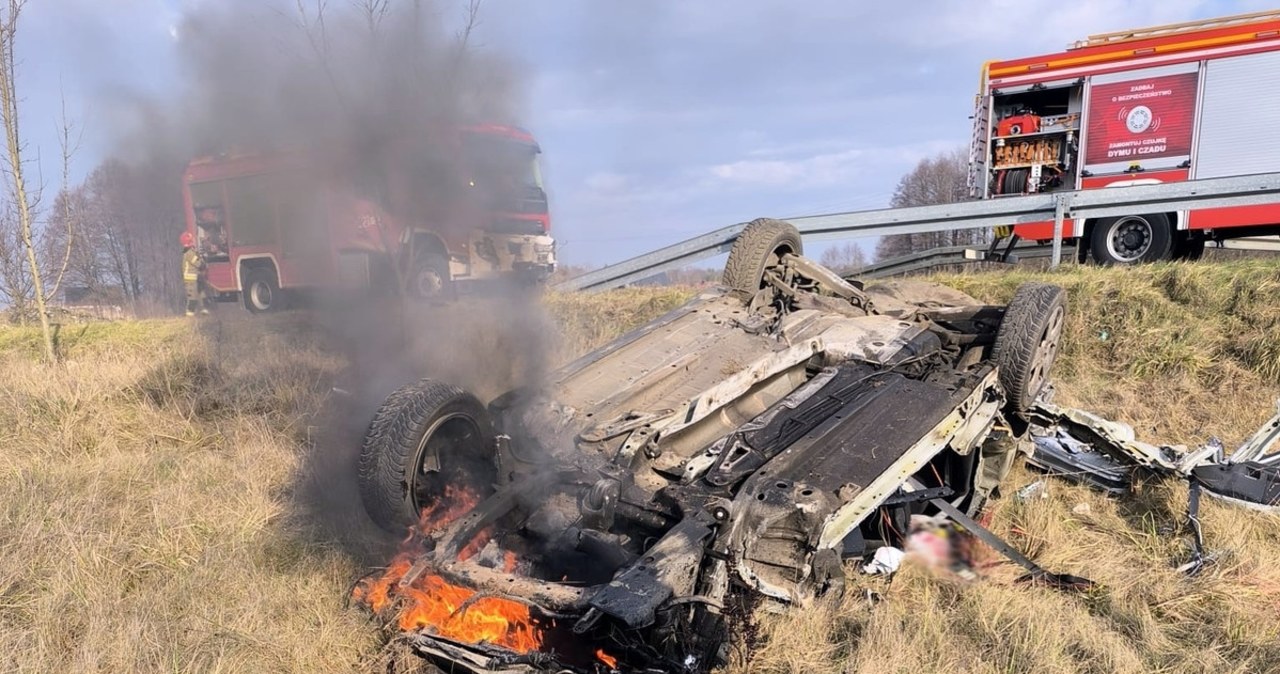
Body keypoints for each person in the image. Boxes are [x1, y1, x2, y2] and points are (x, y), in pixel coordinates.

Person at [181, 231, 208, 316]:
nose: (193, 241)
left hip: (195, 278)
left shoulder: (191, 252)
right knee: (193, 297)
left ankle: (204, 311)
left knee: (201, 294)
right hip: (191, 280)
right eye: (192, 240)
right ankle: (189, 316)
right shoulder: (189, 253)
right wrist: (203, 262)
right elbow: (198, 263)